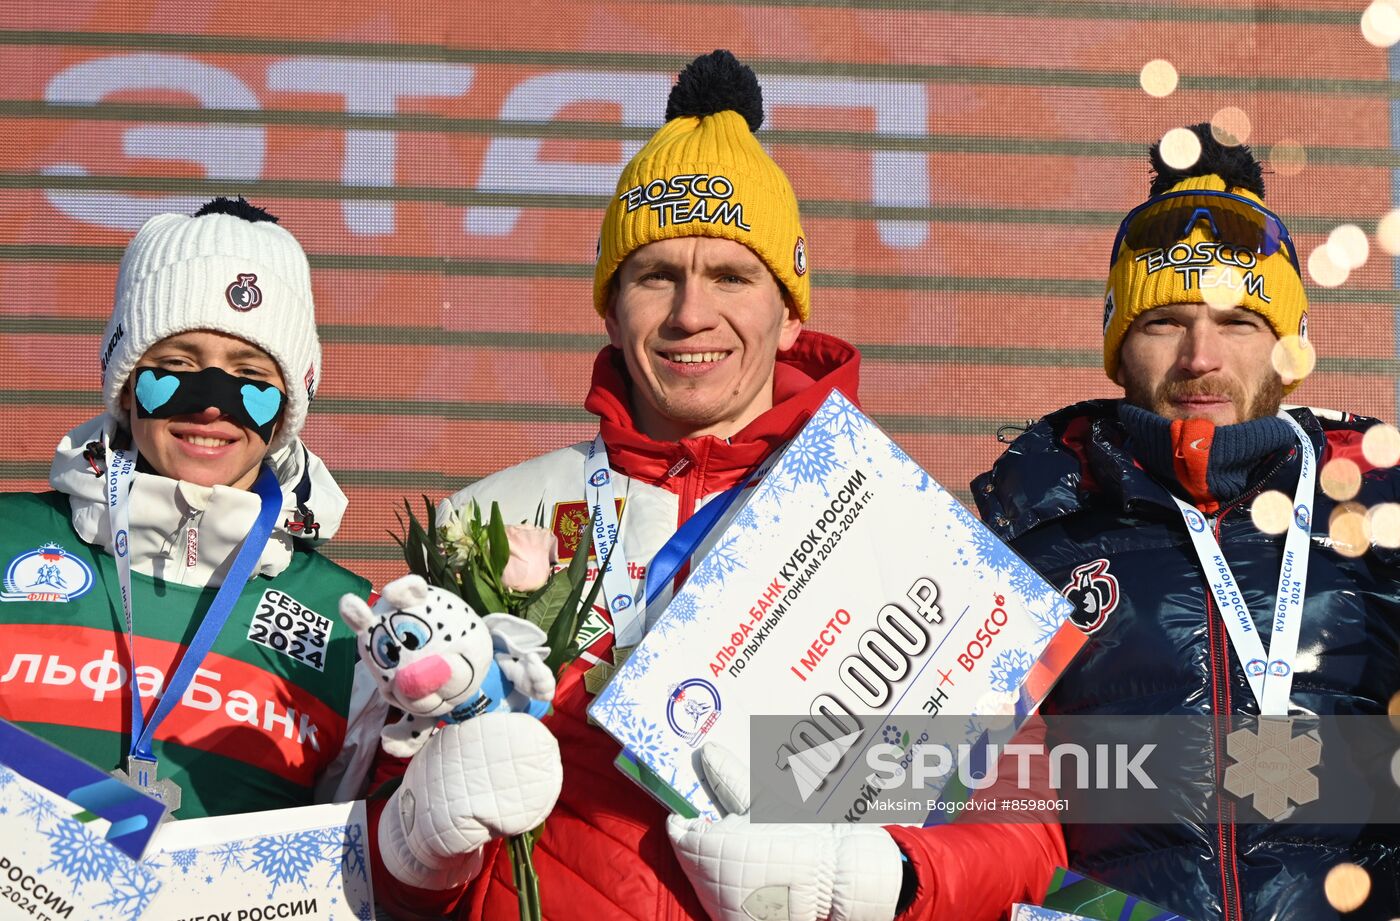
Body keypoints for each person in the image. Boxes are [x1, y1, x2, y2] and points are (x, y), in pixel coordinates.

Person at [441, 50, 1066, 921]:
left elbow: (1020, 831)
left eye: (732, 276)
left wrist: (878, 879)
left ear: (791, 309)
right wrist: (416, 837)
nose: (691, 313)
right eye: (656, 274)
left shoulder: (899, 526)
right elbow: (397, 863)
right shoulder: (489, 520)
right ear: (611, 307)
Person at [0, 197, 509, 918]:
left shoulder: (350, 626)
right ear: (123, 374)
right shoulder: (8, 539)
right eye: (175, 367)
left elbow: (371, 884)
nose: (213, 404)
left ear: (292, 399)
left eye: (250, 376)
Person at [973, 124, 1400, 920]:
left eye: (1238, 322)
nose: (1200, 356)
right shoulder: (1029, 532)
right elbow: (967, 809)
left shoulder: (1377, 522)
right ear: (1119, 344)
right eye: (1165, 321)